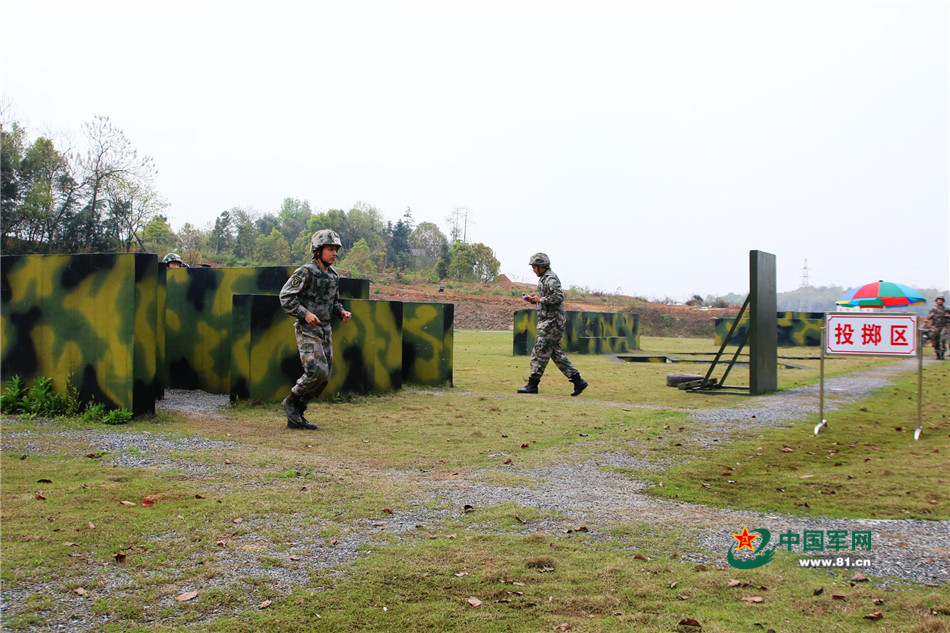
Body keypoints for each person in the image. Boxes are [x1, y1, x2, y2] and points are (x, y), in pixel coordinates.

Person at [278, 229, 352, 430]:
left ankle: (297, 415)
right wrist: (305, 314)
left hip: (325, 331)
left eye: (336, 249)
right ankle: (291, 402)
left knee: (324, 377)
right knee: (316, 371)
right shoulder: (305, 272)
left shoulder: (334, 276)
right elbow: (286, 297)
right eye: (330, 249)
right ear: (318, 250)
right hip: (307, 330)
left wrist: (342, 312)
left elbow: (333, 302)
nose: (334, 253)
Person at [517, 252, 588, 396]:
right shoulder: (544, 278)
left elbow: (559, 296)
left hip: (552, 323)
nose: (533, 270)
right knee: (556, 354)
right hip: (549, 321)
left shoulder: (550, 278)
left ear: (541, 266)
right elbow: (547, 298)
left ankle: (532, 384)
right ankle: (578, 381)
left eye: (534, 267)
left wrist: (540, 300)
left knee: (539, 351)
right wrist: (534, 300)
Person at [925, 294, 950, 360]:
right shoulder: (933, 309)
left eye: (941, 300)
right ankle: (937, 353)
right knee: (936, 341)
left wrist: (948, 316)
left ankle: (942, 354)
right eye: (939, 300)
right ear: (936, 301)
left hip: (944, 326)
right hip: (935, 326)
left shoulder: (946, 309)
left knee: (942, 339)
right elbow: (928, 318)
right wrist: (931, 316)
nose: (940, 301)